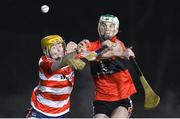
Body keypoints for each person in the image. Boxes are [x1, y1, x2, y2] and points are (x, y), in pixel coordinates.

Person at [78, 14, 137, 118]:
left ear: (116, 28)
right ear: (99, 27)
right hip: (101, 100)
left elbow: (114, 51)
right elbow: (85, 54)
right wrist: (76, 47)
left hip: (121, 98)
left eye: (111, 26)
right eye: (104, 25)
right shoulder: (91, 45)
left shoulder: (118, 44)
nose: (107, 29)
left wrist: (122, 53)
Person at [26, 35, 86, 118]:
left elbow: (83, 64)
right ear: (46, 51)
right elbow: (59, 64)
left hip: (61, 111)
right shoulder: (44, 62)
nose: (58, 50)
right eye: (53, 48)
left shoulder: (69, 55)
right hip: (40, 109)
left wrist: (82, 48)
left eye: (60, 46)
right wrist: (74, 53)